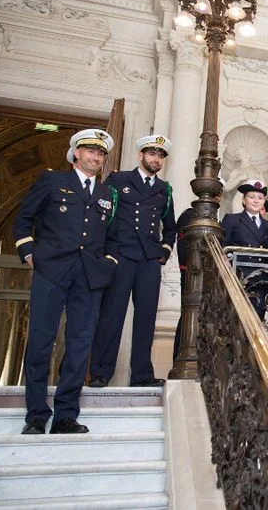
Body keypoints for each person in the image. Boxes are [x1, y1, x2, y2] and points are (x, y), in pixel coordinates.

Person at [13, 129, 118, 434]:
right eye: (91, 151)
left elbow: (112, 236)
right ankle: (36, 415)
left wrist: (109, 262)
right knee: (41, 340)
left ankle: (65, 416)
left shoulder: (106, 194)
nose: (96, 157)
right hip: (52, 271)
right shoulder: (52, 181)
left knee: (79, 345)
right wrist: (29, 254)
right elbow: (23, 219)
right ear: (76, 153)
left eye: (101, 153)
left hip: (89, 277)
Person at [90, 135, 177, 389]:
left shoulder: (164, 189)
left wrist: (164, 250)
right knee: (112, 315)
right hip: (121, 255)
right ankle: (100, 373)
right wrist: (106, 252)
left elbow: (170, 227)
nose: (156, 159)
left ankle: (141, 374)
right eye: (152, 154)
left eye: (160, 156)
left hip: (149, 260)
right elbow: (103, 214)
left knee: (146, 318)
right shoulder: (119, 180)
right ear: (141, 155)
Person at [173, 183, 223, 361]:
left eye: (218, 195)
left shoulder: (217, 221)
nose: (216, 198)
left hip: (210, 276)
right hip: (191, 273)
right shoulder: (189, 215)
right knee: (188, 316)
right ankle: (180, 357)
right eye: (214, 195)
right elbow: (185, 248)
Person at [221, 179, 268, 248]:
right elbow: (222, 247)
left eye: (260, 198)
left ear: (264, 201)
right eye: (252, 197)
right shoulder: (231, 220)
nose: (256, 201)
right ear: (244, 200)